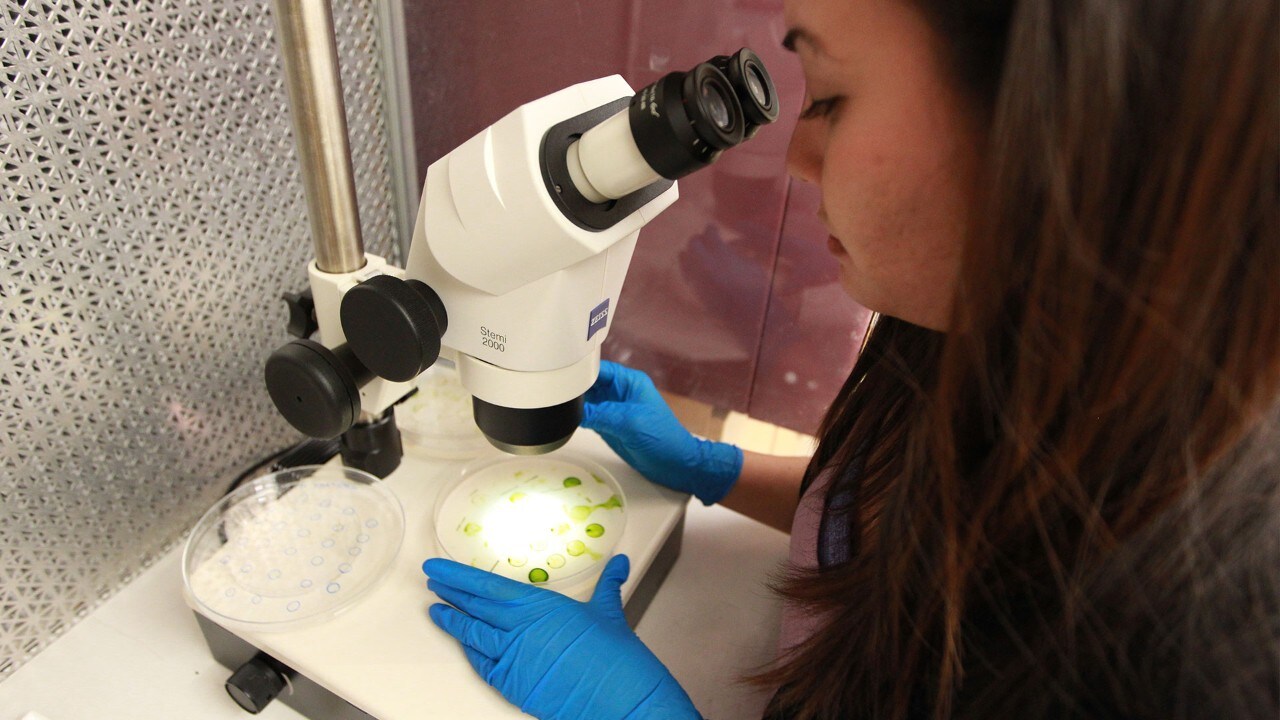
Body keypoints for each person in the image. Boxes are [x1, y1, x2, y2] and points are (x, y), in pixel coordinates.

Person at [422, 0, 1280, 717]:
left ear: (1062, 128)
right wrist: (717, 468)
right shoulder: (969, 338)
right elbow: (909, 520)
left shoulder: (1181, 652)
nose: (795, 157)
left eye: (828, 94)